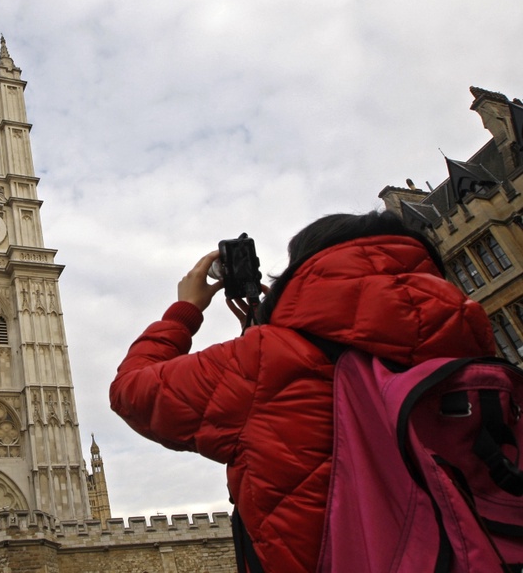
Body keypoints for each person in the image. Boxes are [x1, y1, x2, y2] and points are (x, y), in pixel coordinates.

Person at [109, 211, 496, 573]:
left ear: (306, 268)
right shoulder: (469, 339)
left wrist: (185, 310)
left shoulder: (269, 358)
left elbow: (132, 391)